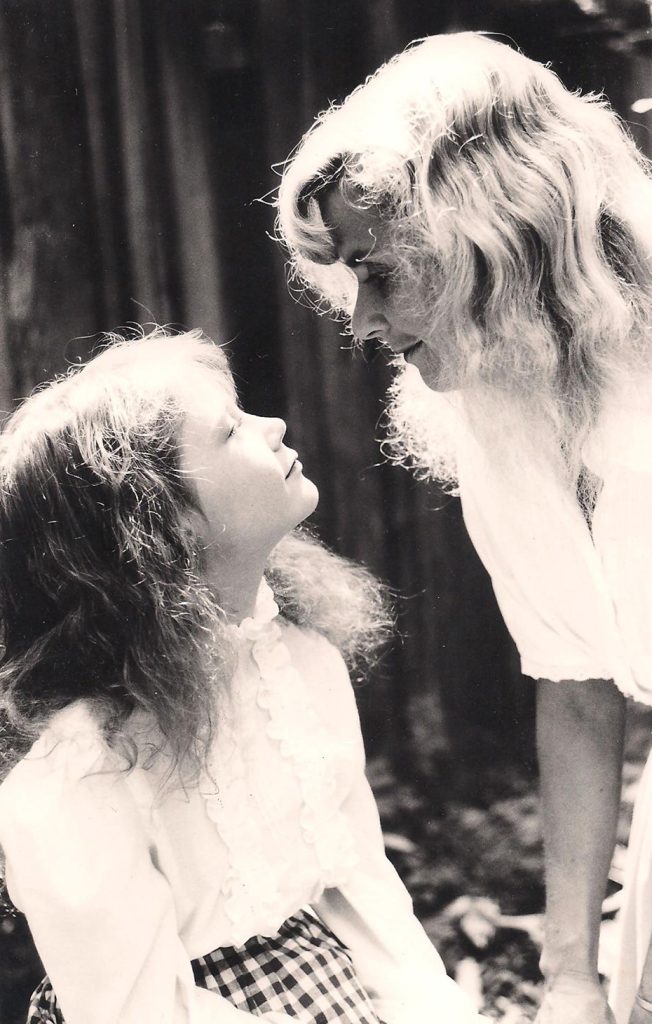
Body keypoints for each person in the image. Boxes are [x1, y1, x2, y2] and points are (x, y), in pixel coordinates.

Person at [275, 30, 652, 1024]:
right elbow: (575, 691)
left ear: (489, 226)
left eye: (380, 270)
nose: (357, 321)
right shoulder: (495, 419)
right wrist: (569, 972)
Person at [0, 330, 482, 1024]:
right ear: (163, 527)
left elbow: (361, 887)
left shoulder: (298, 659)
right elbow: (135, 1009)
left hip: (335, 992)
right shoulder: (86, 777)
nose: (275, 425)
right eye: (231, 431)